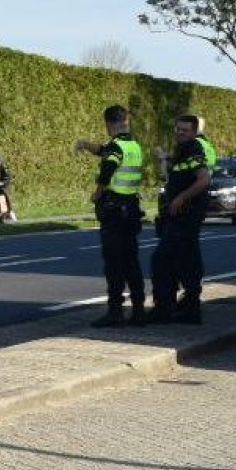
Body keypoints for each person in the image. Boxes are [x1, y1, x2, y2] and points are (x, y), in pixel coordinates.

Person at [73, 106, 145, 326]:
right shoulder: (133, 145)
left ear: (108, 124)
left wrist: (97, 192)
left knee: (113, 262)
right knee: (131, 260)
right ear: (126, 121)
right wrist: (86, 144)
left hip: (115, 211)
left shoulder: (115, 147)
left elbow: (108, 168)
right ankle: (139, 310)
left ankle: (115, 311)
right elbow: (105, 151)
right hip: (132, 208)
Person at [149, 114, 212, 323]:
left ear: (194, 132)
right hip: (182, 214)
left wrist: (181, 198)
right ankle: (189, 308)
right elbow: (177, 177)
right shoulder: (182, 150)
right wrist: (164, 160)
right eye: (178, 129)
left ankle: (165, 308)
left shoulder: (193, 148)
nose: (180, 133)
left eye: (185, 130)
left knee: (161, 259)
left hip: (186, 214)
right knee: (187, 259)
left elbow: (204, 179)